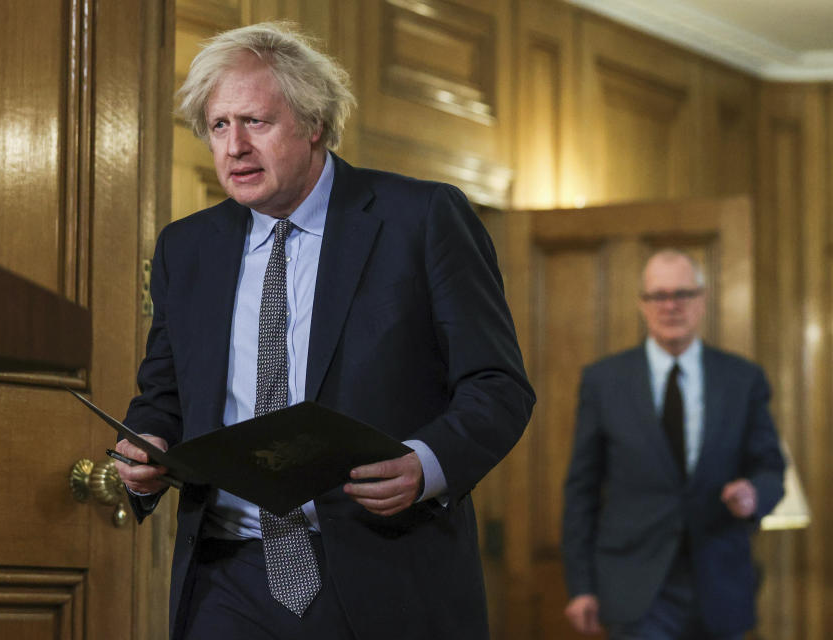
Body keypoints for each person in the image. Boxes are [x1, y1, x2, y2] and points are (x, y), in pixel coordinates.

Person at [112, 21, 535, 640]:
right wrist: (146, 443)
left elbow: (497, 385)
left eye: (256, 122)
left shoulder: (420, 220)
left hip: (379, 569)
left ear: (313, 124)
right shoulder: (187, 247)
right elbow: (164, 396)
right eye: (218, 126)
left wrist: (426, 464)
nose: (234, 147)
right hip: (227, 574)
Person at [561, 249, 785, 639]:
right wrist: (581, 585)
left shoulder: (742, 378)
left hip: (720, 580)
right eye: (658, 296)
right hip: (636, 586)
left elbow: (771, 467)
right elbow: (582, 488)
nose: (671, 306)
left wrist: (754, 495)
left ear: (702, 300)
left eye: (682, 294)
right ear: (642, 304)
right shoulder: (604, 381)